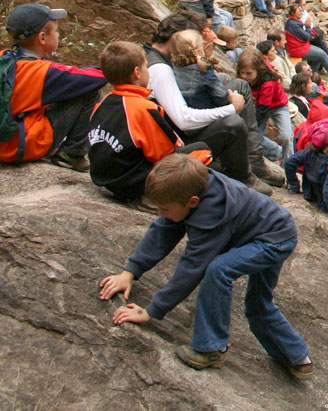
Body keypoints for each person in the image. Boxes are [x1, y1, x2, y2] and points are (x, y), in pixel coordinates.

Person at [98, 154, 313, 378]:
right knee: (258, 303)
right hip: (272, 231)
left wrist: (152, 311)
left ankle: (211, 348)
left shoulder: (212, 213)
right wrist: (129, 272)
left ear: (192, 202)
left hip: (274, 240)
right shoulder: (189, 188)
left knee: (219, 270)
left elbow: (192, 268)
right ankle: (298, 359)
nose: (159, 214)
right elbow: (162, 231)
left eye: (165, 209)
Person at [143, 13, 281, 192]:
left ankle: (254, 161)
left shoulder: (164, 58)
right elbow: (183, 120)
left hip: (187, 120)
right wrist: (231, 108)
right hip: (182, 139)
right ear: (174, 37)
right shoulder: (160, 70)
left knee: (240, 85)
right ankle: (243, 176)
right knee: (233, 122)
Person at [88, 41, 212, 206]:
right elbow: (163, 155)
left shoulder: (102, 102)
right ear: (137, 72)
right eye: (146, 67)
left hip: (104, 178)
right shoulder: (145, 108)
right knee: (202, 150)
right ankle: (154, 197)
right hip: (134, 183)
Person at [0, 3, 106, 170]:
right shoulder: (43, 72)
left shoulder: (4, 57)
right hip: (18, 147)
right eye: (56, 31)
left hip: (6, 138)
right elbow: (94, 78)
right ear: (42, 38)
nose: (58, 34)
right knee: (89, 91)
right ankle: (72, 154)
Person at [237, 49, 294, 162]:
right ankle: (277, 152)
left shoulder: (268, 83)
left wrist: (253, 125)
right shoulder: (245, 77)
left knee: (286, 136)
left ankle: (288, 163)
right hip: (258, 104)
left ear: (258, 70)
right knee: (254, 136)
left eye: (248, 73)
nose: (244, 76)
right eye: (241, 73)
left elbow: (262, 111)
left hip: (277, 105)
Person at [285, 2, 328, 80]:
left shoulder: (294, 21)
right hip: (298, 49)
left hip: (301, 46)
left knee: (317, 56)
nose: (301, 13)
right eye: (299, 11)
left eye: (301, 11)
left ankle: (311, 76)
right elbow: (307, 37)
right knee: (322, 54)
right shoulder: (293, 24)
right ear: (293, 13)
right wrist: (308, 26)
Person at [170, 29, 229, 110]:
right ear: (198, 50)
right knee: (240, 84)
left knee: (223, 77)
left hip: (187, 106)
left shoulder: (175, 66)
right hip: (205, 110)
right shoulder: (203, 70)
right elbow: (221, 97)